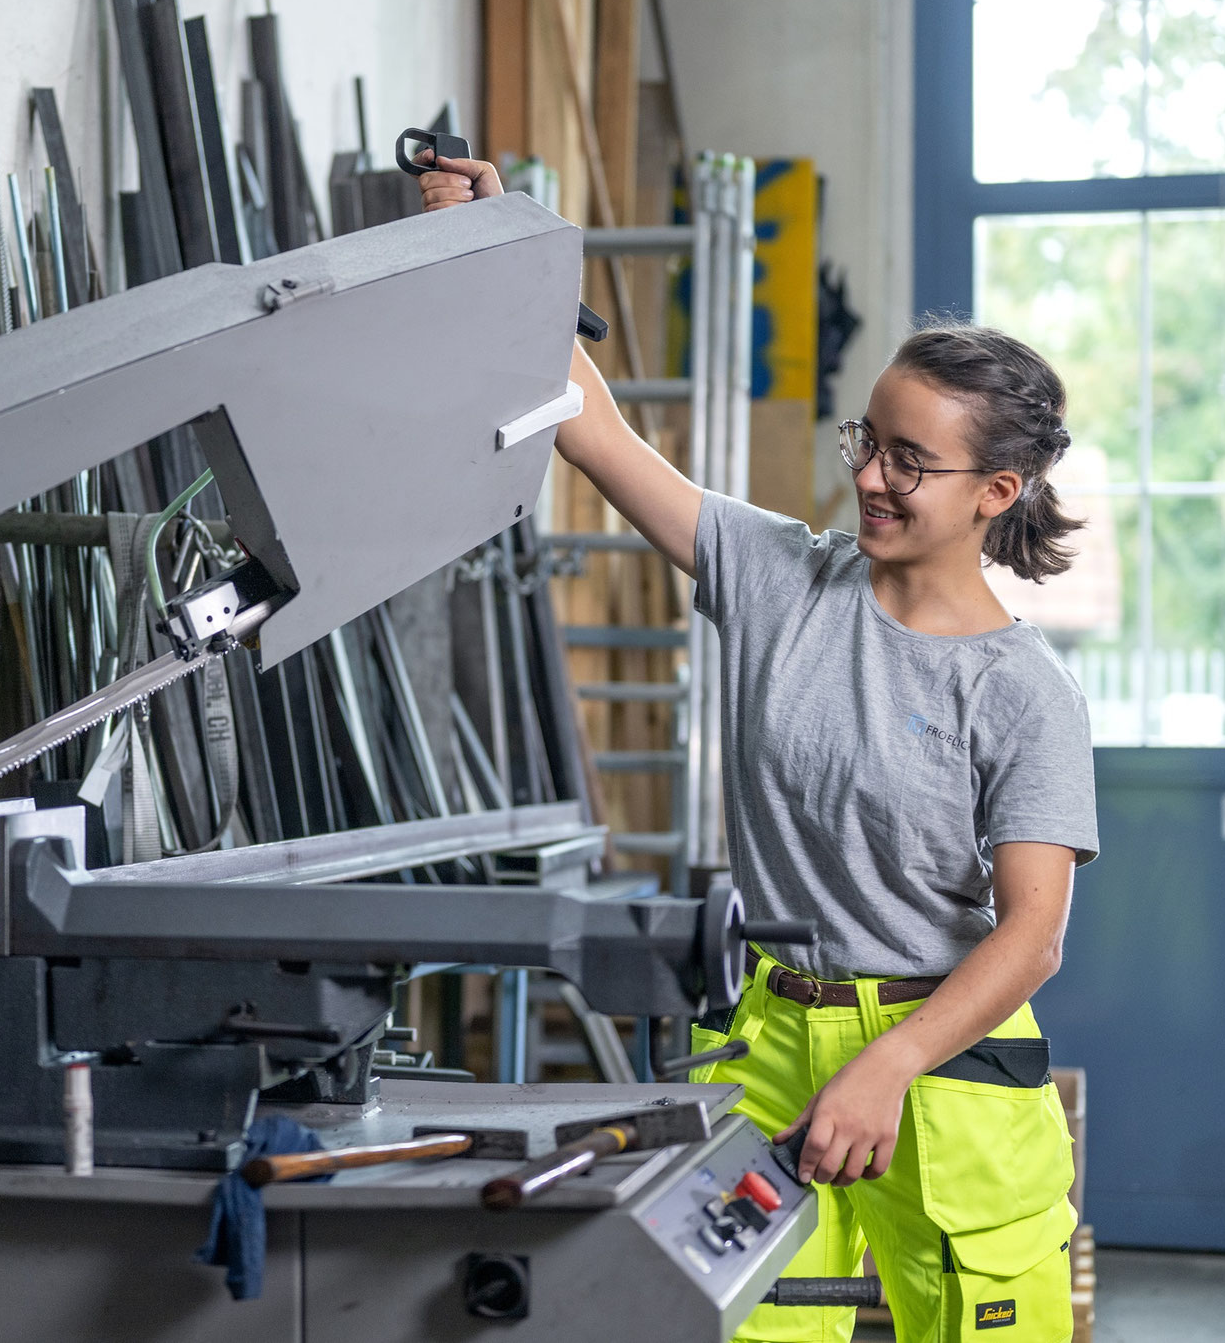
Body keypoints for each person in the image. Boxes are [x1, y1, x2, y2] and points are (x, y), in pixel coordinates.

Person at [419, 157, 1097, 1343]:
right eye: (867, 440)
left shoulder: (1023, 691)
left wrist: (887, 1066)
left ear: (997, 489)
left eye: (909, 463)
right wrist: (499, 251)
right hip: (767, 1038)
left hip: (942, 1049)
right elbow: (594, 433)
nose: (870, 479)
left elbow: (1030, 937)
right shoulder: (783, 579)